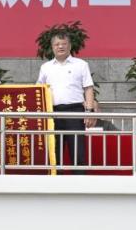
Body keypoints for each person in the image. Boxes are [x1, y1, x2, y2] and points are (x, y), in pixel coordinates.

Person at [36, 31, 97, 173]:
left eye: (64, 44)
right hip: (52, 113)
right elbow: (39, 89)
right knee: (54, 152)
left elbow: (88, 88)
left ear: (69, 46)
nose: (60, 47)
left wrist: (89, 111)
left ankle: (79, 182)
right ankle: (55, 182)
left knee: (78, 150)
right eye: (57, 44)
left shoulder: (81, 65)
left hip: (74, 112)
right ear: (52, 47)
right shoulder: (46, 67)